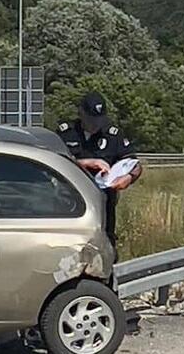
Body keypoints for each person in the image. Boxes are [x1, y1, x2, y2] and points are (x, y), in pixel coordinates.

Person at [57, 91, 142, 251]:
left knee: (105, 248)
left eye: (100, 119)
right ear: (81, 113)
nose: (95, 124)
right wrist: (85, 163)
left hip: (103, 204)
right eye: (91, 119)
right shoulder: (66, 133)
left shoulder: (112, 135)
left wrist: (129, 177)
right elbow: (53, 161)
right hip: (70, 203)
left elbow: (134, 164)